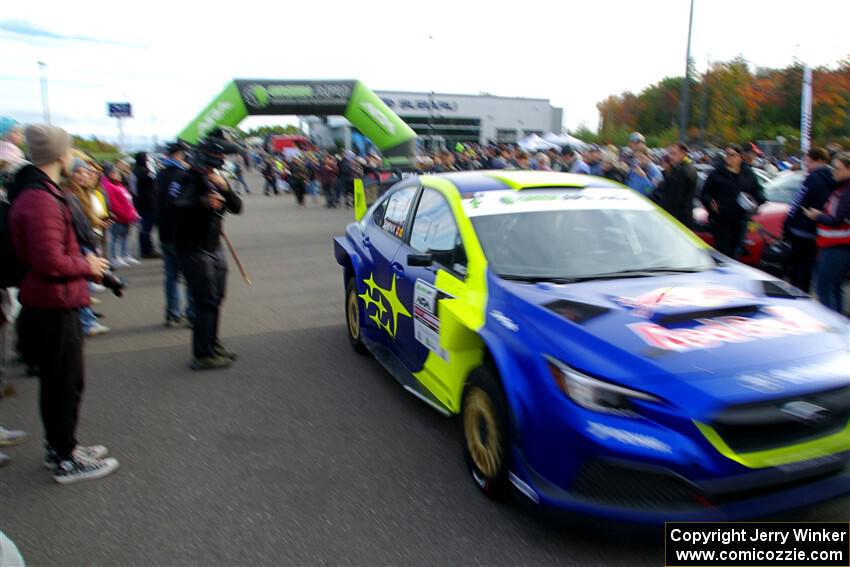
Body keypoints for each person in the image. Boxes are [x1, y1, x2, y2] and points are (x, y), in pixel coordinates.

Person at [8, 124, 118, 483]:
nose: (73, 156)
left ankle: (63, 447)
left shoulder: (39, 192)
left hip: (54, 303)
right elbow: (49, 261)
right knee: (62, 385)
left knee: (65, 384)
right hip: (54, 307)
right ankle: (65, 458)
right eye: (70, 149)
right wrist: (86, 265)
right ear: (59, 155)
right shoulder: (41, 198)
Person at [173, 137, 243, 370]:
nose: (221, 159)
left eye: (222, 156)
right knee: (205, 301)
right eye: (216, 155)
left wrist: (225, 187)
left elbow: (237, 207)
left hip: (213, 248)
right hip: (193, 249)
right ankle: (202, 354)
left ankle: (212, 343)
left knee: (216, 298)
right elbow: (175, 208)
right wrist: (202, 202)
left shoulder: (216, 178)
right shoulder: (187, 177)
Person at [63, 159, 110, 336]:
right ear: (70, 174)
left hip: (86, 243)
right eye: (79, 172)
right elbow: (78, 226)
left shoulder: (81, 193)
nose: (84, 175)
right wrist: (89, 246)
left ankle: (87, 320)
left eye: (86, 172)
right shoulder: (71, 195)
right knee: (81, 288)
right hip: (82, 246)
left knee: (84, 288)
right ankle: (86, 322)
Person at [700, 144, 765, 258]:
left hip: (740, 221)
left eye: (732, 155)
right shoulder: (716, 173)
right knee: (723, 253)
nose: (728, 157)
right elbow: (705, 193)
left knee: (736, 253)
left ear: (740, 157)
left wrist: (754, 203)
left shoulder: (748, 173)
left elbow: (759, 193)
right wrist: (710, 202)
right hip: (721, 221)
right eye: (726, 154)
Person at [783, 147, 833, 292]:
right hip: (819, 229)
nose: (807, 165)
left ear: (818, 161)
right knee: (809, 266)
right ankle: (804, 293)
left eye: (809, 162)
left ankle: (795, 293)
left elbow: (797, 202)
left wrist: (787, 224)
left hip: (801, 228)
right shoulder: (833, 178)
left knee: (796, 267)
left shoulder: (812, 178)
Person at [804, 152, 850, 313]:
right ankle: (838, 326)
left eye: (837, 168)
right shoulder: (840, 189)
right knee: (833, 288)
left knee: (824, 288)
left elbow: (837, 219)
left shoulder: (846, 192)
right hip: (833, 245)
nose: (833, 172)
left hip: (838, 246)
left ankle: (831, 325)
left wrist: (818, 215)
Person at [157, 141, 195, 328]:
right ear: (180, 155)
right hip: (182, 233)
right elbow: (183, 204)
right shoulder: (184, 175)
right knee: (190, 276)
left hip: (164, 231)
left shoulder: (160, 174)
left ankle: (172, 313)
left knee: (171, 276)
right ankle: (192, 313)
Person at [102, 164, 141, 267]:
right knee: (115, 238)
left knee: (125, 237)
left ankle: (125, 255)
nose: (118, 175)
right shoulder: (109, 186)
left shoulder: (119, 185)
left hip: (127, 216)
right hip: (119, 217)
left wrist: (133, 212)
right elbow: (114, 205)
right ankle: (114, 257)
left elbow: (128, 201)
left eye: (118, 173)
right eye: (114, 173)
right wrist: (124, 215)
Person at [652, 142, 698, 227]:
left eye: (673, 153)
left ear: (683, 153)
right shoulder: (680, 169)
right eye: (669, 153)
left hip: (677, 220)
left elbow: (673, 199)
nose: (670, 157)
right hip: (678, 218)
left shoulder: (683, 171)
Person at [133, 152, 159, 258]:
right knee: (146, 228)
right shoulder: (143, 172)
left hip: (142, 204)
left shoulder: (135, 171)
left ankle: (146, 249)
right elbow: (152, 182)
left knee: (145, 228)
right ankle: (147, 250)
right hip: (148, 204)